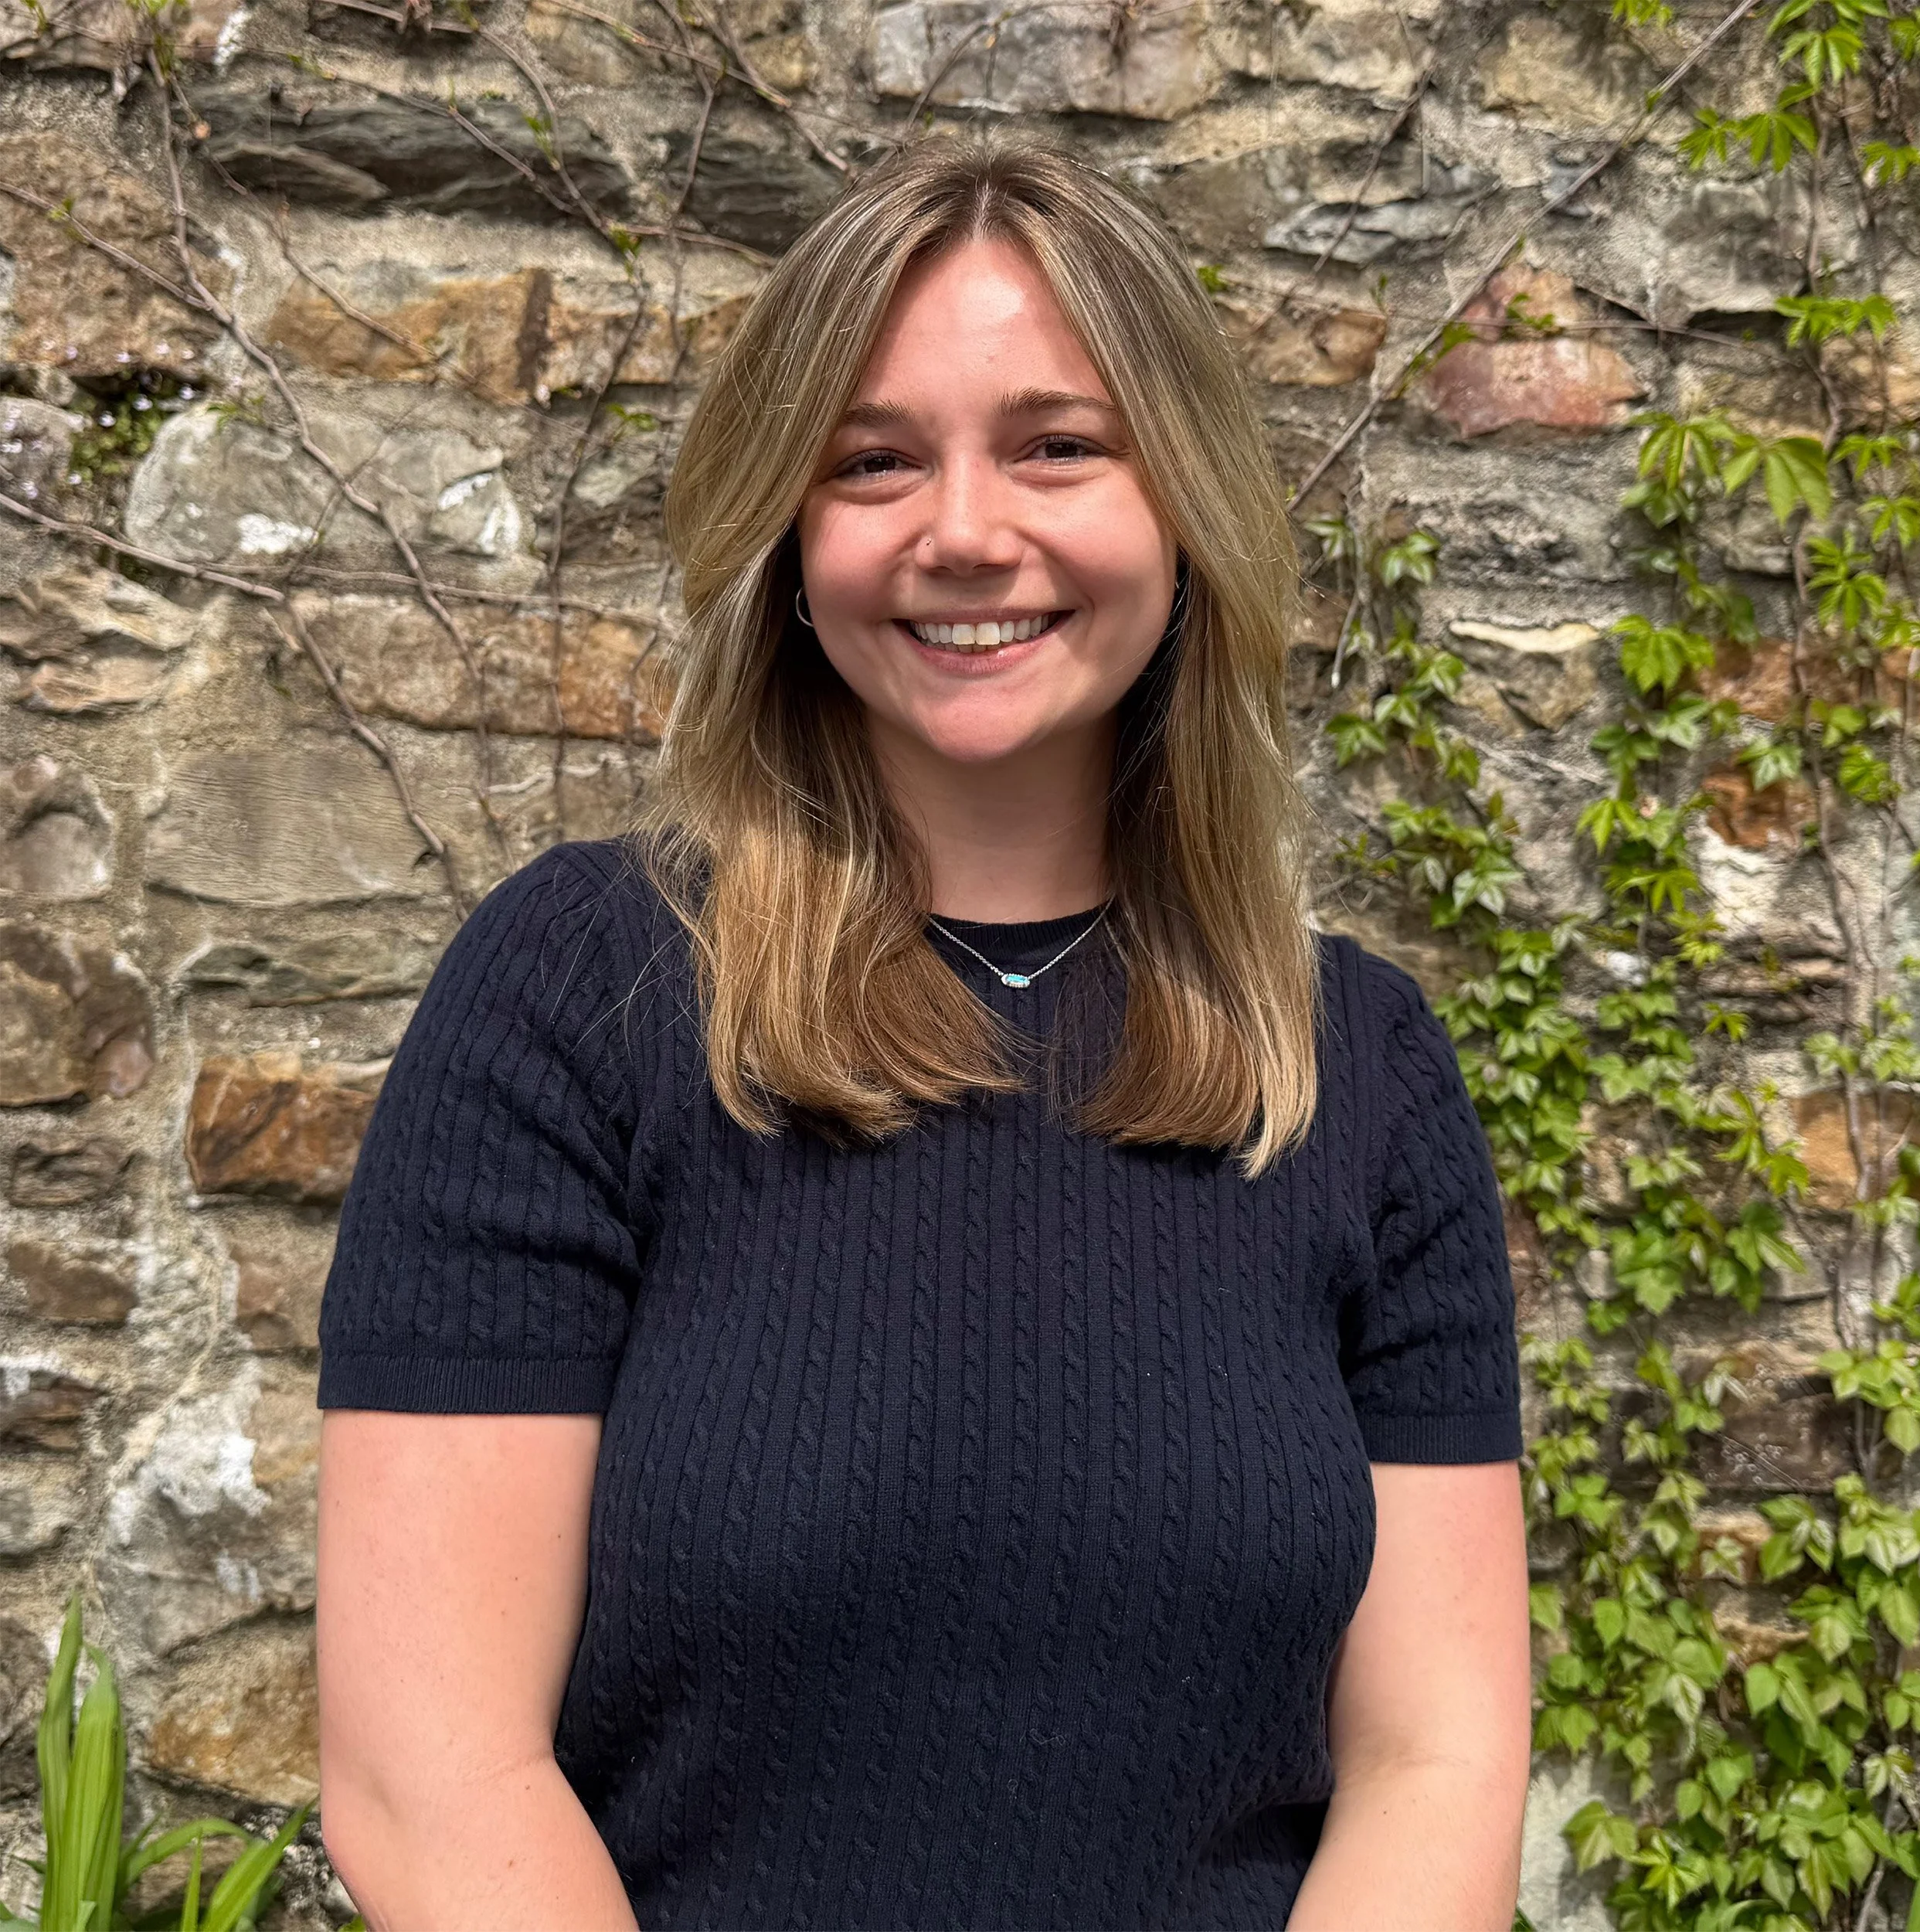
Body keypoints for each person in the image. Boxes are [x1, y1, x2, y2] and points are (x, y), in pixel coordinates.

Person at [314, 133, 1531, 1932]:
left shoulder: (1353, 1064)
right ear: (788, 533)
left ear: (1181, 501)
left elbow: (1436, 1758)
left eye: (1056, 445)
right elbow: (428, 1777)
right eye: (872, 460)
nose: (962, 530)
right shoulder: (583, 995)